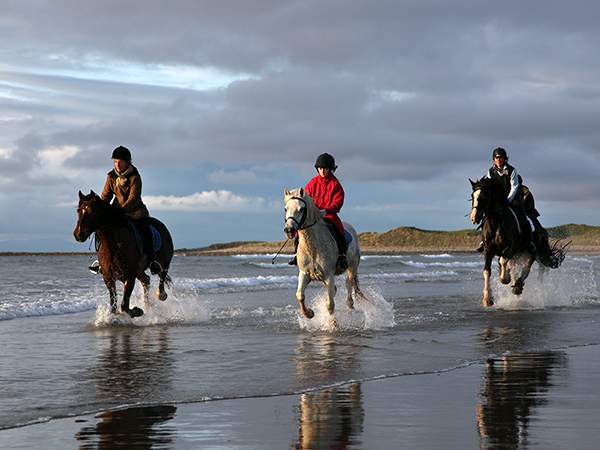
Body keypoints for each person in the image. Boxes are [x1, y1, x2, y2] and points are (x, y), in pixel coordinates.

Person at [89, 146, 160, 274]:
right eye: (115, 161)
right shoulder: (111, 177)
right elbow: (106, 196)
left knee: (145, 230)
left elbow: (133, 198)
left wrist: (121, 210)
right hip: (117, 212)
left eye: (120, 161)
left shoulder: (135, 177)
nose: (117, 164)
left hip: (136, 211)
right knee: (101, 229)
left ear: (127, 162)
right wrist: (100, 209)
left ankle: (151, 260)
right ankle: (101, 261)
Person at [289, 153, 348, 270]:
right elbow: (305, 198)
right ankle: (296, 254)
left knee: (339, 230)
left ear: (331, 169)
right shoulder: (313, 182)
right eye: (320, 168)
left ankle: (342, 256)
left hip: (328, 215)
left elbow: (338, 203)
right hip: (313, 216)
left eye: (325, 169)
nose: (323, 171)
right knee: (299, 231)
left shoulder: (335, 185)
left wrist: (326, 211)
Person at [476, 147, 540, 252]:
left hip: (512, 198)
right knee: (486, 216)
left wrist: (508, 199)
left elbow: (514, 187)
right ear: (494, 159)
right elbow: (489, 186)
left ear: (505, 159)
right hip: (498, 201)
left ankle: (529, 242)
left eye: (501, 157)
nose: (498, 159)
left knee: (522, 216)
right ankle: (484, 240)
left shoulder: (512, 170)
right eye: (496, 158)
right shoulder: (490, 172)